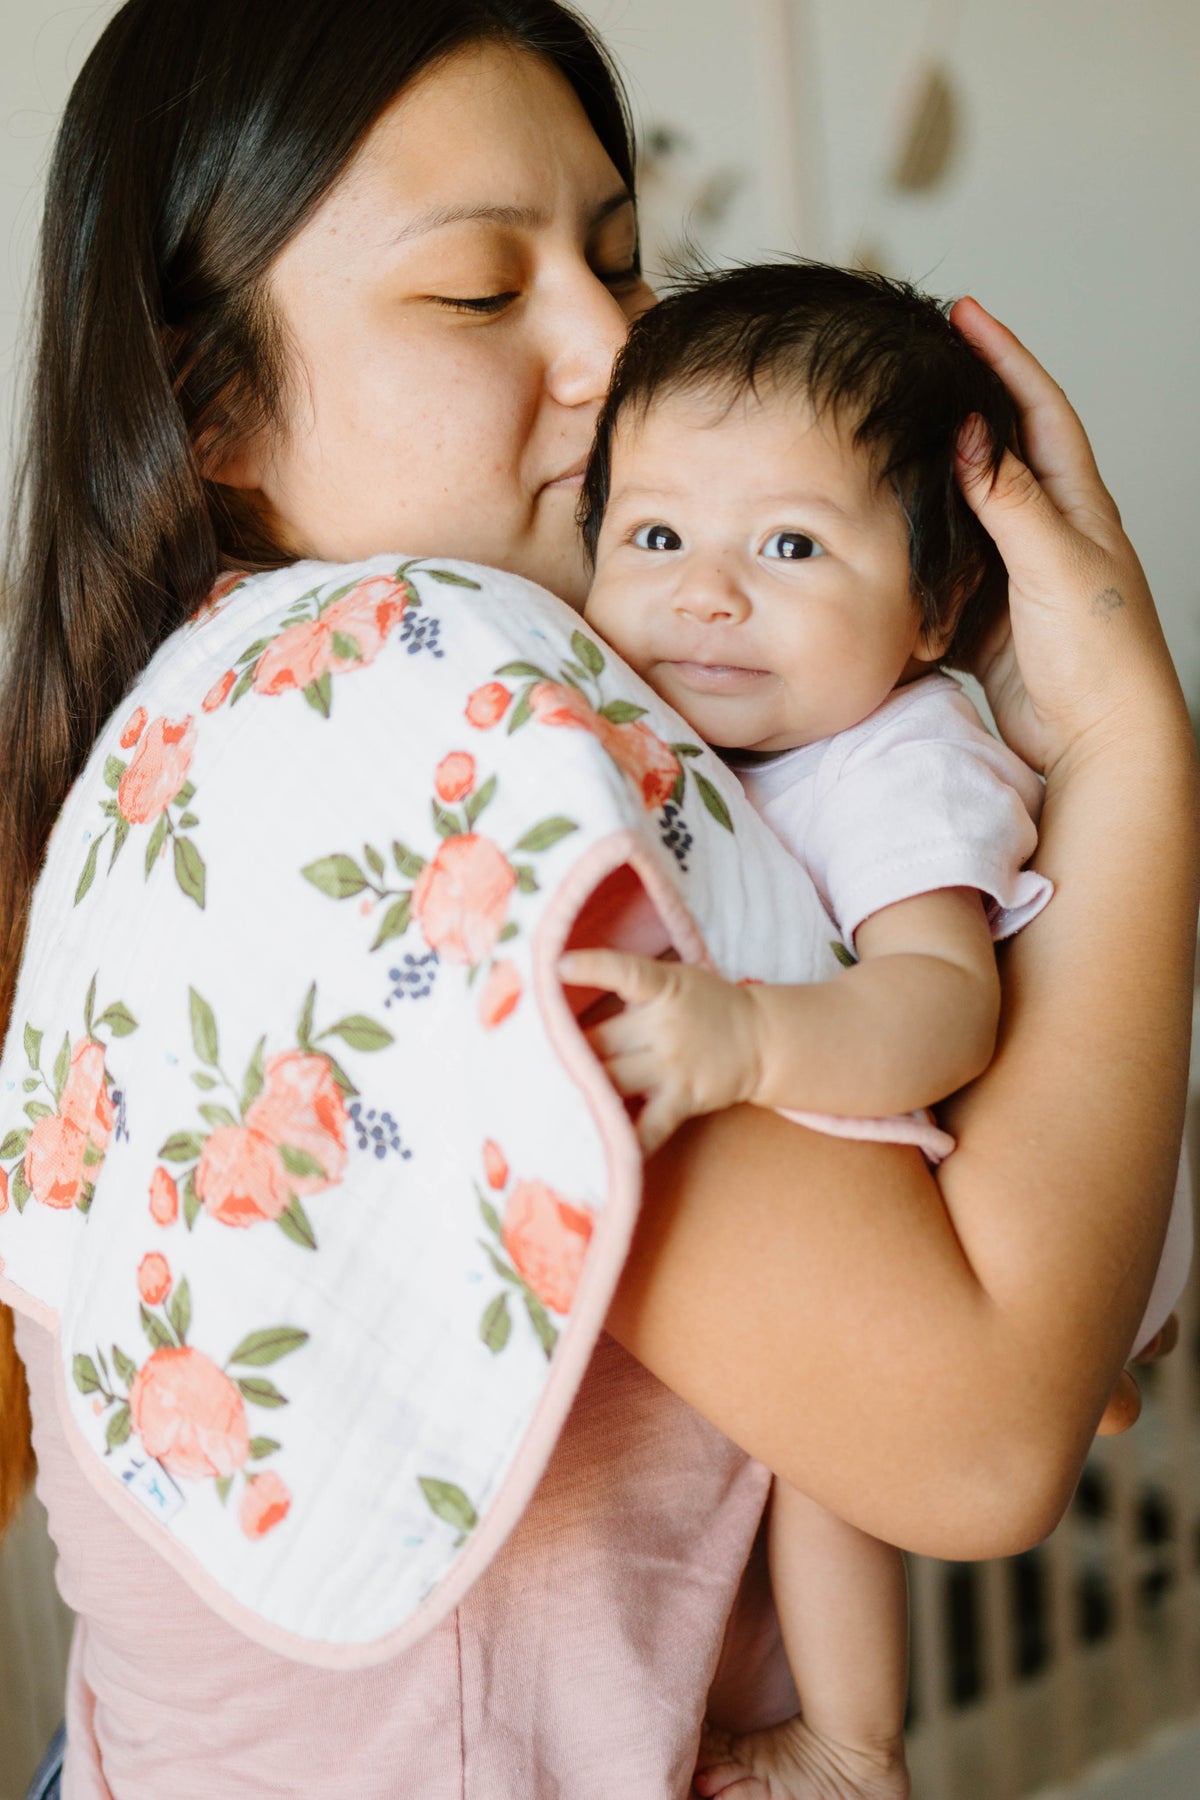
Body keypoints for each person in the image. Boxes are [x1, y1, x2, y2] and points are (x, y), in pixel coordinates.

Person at [0, 2, 1193, 1797]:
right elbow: (981, 1434)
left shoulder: (233, 699)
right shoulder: (408, 701)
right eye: (485, 293)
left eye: (623, 261)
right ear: (213, 405)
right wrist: (1130, 738)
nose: (610, 347)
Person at [560, 260, 1191, 1798]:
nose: (706, 592)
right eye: (655, 536)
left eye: (789, 543)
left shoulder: (891, 759)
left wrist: (753, 1046)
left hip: (1036, 1168)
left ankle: (854, 1743)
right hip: (998, 1190)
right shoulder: (695, 729)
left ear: (939, 605)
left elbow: (943, 1008)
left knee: (826, 1448)